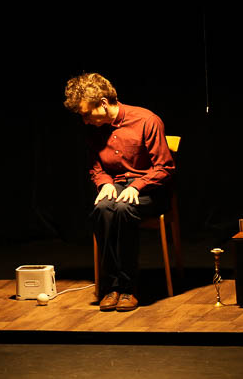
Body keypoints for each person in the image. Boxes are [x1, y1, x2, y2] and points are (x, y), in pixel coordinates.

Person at [63, 73, 175, 312]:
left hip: (150, 188)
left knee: (124, 208)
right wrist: (104, 183)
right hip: (116, 186)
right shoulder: (94, 129)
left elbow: (164, 168)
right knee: (103, 208)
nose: (85, 121)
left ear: (103, 103)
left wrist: (137, 186)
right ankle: (111, 286)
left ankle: (128, 287)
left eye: (86, 114)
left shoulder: (146, 120)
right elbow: (96, 167)